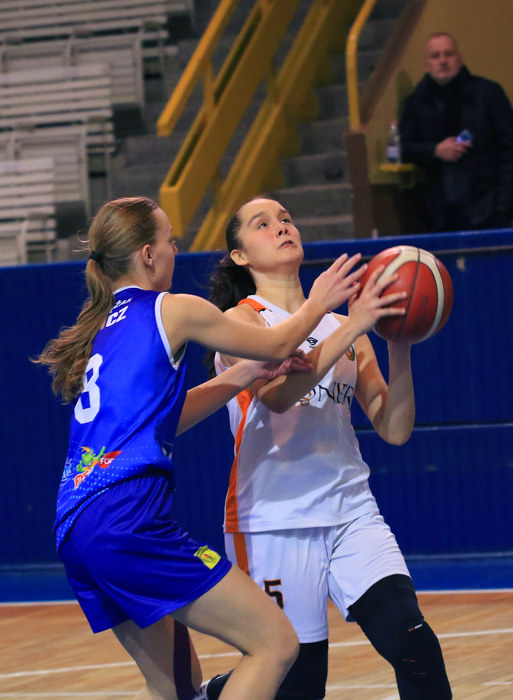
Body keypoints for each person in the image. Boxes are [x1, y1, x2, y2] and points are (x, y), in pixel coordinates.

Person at [34, 195, 382, 700]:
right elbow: (280, 343)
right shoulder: (172, 308)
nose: (176, 250)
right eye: (171, 241)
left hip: (76, 526)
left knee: (173, 687)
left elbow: (166, 419)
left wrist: (243, 373)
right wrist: (321, 303)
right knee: (275, 644)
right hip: (126, 520)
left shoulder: (107, 326)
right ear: (148, 255)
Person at [200, 196, 452, 700]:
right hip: (274, 521)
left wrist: (399, 343)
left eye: (286, 218)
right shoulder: (239, 323)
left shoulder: (344, 327)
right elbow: (277, 397)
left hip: (351, 512)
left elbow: (394, 428)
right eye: (262, 224)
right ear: (240, 256)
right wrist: (354, 324)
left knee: (414, 644)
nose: (281, 227)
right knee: (299, 682)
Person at [399, 32, 513, 232]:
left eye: (448, 54)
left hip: (489, 208)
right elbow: (402, 148)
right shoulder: (417, 102)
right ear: (426, 64)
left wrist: (503, 206)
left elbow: (509, 148)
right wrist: (435, 150)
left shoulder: (488, 94)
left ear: (460, 58)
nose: (443, 61)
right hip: (439, 214)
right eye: (435, 56)